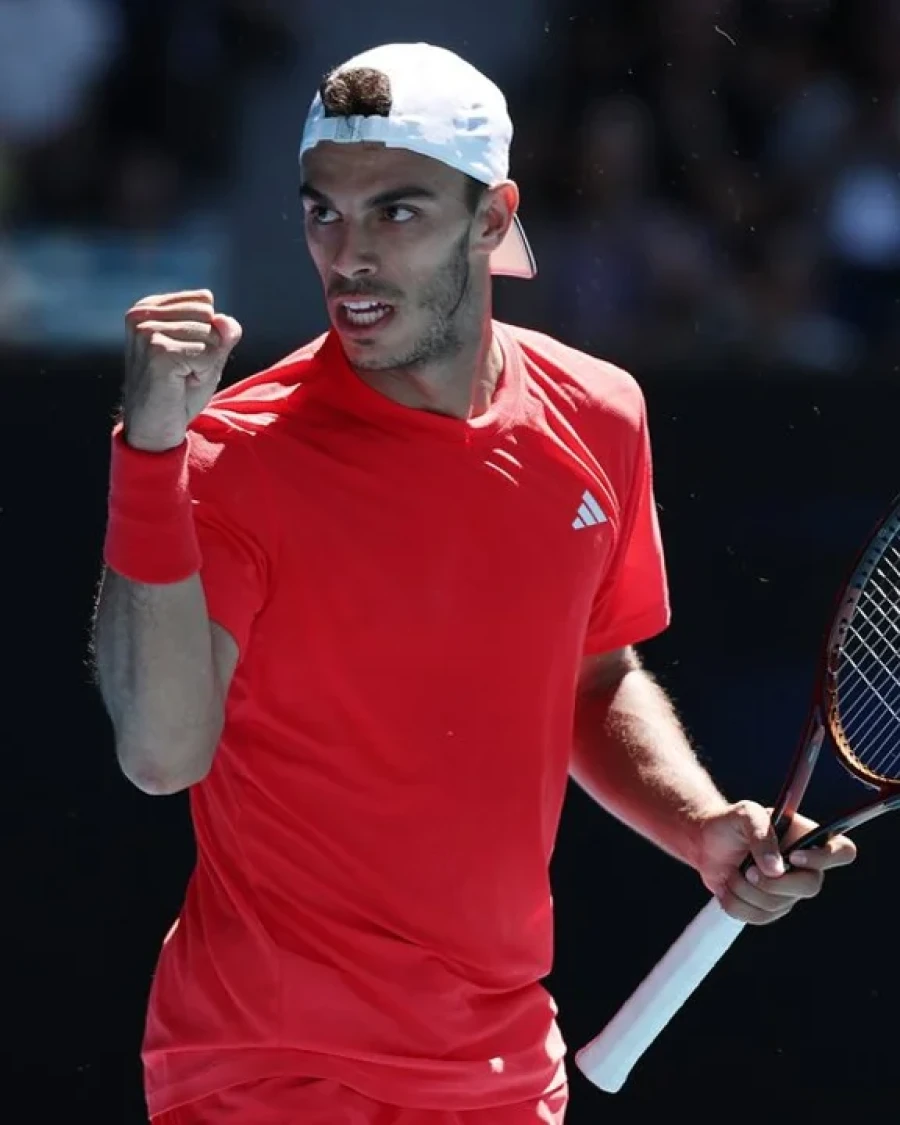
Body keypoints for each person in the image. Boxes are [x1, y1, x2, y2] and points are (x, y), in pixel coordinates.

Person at [91, 42, 857, 1125]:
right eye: (323, 214)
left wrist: (698, 825)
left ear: (493, 219)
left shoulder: (600, 415)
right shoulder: (231, 455)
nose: (347, 255)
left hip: (500, 1067)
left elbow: (593, 678)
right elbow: (163, 754)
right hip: (270, 1069)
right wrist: (152, 461)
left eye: (396, 213)